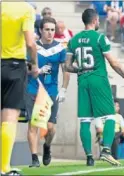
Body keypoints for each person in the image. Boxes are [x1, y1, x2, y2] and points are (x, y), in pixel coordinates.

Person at [65, 8, 124, 166]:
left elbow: (67, 66)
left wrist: (80, 69)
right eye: (98, 20)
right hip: (98, 79)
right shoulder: (100, 38)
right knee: (110, 116)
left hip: (82, 81)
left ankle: (89, 156)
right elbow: (113, 62)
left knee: (85, 120)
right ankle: (106, 150)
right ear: (94, 21)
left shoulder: (73, 40)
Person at [26, 17, 70, 168]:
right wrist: (35, 70)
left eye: (52, 30)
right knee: (33, 125)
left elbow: (66, 71)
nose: (50, 33)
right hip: (33, 89)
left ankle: (47, 147)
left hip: (51, 91)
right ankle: (34, 158)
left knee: (50, 128)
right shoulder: (32, 47)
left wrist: (63, 89)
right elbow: (25, 68)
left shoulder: (60, 48)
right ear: (40, 30)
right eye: (47, 30)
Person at [1, 2, 39, 175]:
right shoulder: (25, 9)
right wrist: (35, 65)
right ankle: (4, 167)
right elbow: (31, 43)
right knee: (9, 117)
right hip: (14, 66)